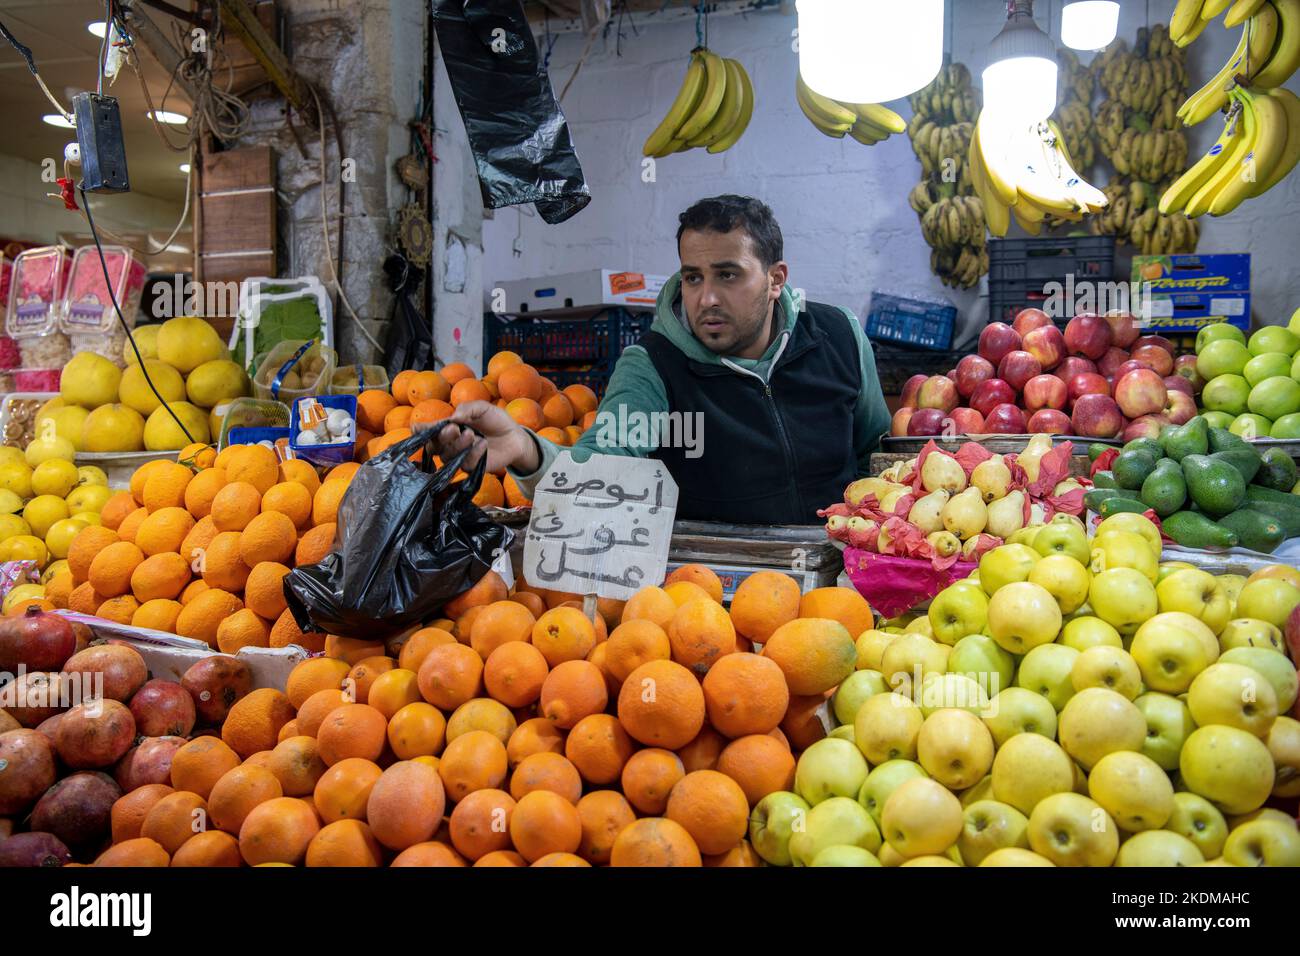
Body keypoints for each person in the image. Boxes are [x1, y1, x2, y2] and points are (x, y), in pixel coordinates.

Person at [424, 194, 892, 524]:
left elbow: (878, 454)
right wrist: (527, 452)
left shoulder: (839, 334)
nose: (706, 297)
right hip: (710, 595)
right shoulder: (653, 366)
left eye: (728, 275)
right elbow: (602, 464)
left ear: (775, 279)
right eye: (693, 277)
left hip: (840, 581)